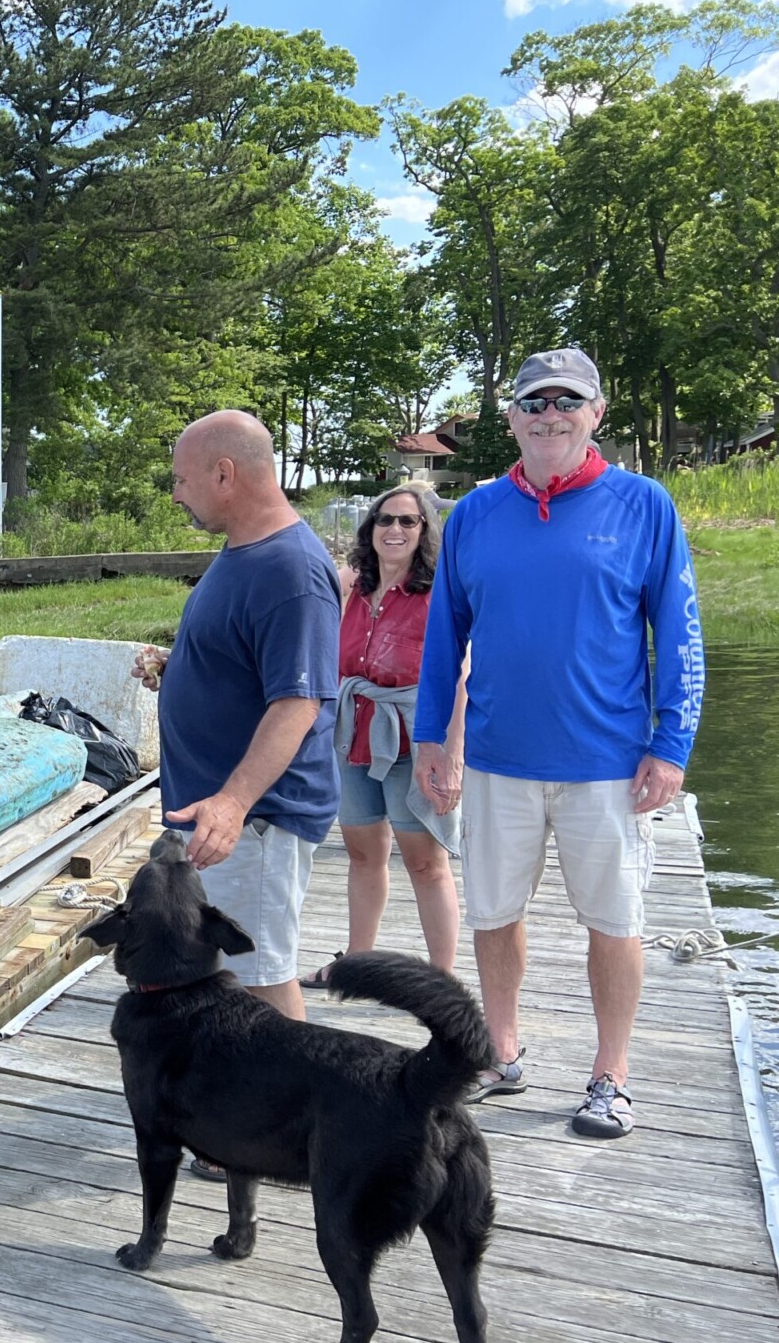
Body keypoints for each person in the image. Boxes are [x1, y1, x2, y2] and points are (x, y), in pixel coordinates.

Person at [413, 347, 704, 1140]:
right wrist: (432, 737)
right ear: (510, 418)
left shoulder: (644, 505)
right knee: (495, 914)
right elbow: (444, 637)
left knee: (614, 920)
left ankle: (611, 1075)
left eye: (566, 402)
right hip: (500, 762)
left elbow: (678, 636)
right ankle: (501, 1052)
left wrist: (671, 744)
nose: (550, 416)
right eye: (534, 403)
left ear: (595, 413)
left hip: (607, 765)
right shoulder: (473, 514)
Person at [134, 410, 342, 1027]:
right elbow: (253, 663)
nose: (176, 494)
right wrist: (185, 668)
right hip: (225, 819)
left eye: (181, 480)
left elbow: (298, 703)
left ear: (224, 474)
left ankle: (296, 1116)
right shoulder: (244, 552)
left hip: (256, 820)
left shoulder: (290, 570)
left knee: (262, 979)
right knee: (237, 977)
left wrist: (231, 802)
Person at [300, 482, 464, 988]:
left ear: (424, 531)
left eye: (407, 521)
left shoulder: (439, 594)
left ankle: (442, 983)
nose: (394, 529)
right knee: (363, 854)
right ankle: (356, 964)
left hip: (419, 739)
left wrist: (451, 756)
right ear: (370, 529)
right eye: (385, 520)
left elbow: (462, 677)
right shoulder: (349, 586)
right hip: (355, 736)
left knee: (425, 862)